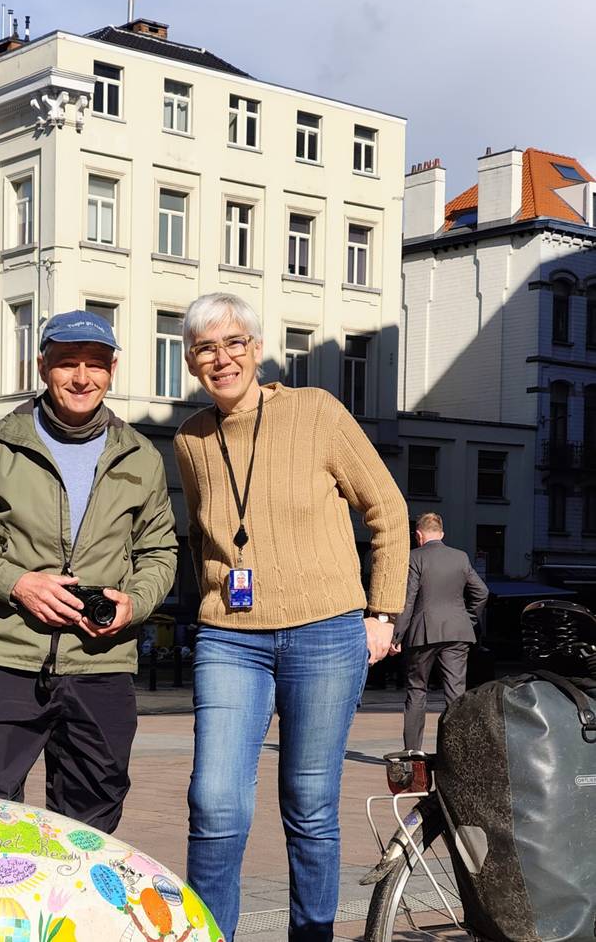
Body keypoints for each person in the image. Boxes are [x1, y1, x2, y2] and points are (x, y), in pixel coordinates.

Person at [173, 292, 410, 942]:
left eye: (233, 344)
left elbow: (387, 509)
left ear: (255, 349)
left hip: (326, 633)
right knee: (215, 801)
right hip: (229, 637)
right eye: (205, 348)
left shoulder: (316, 412)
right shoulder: (191, 441)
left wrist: (382, 612)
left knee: (309, 805)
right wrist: (217, 592)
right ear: (193, 362)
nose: (221, 358)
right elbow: (203, 535)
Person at [0, 310, 177, 833]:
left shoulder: (142, 456)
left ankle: (71, 918)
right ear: (43, 366)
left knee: (91, 826)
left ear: (112, 370)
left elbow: (159, 553)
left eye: (96, 364)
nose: (82, 377)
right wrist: (17, 583)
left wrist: (136, 603)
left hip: (102, 665)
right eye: (67, 363)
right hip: (6, 660)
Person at [390, 511, 489, 751]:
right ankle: (457, 751)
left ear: (418, 535)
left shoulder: (414, 557)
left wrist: (397, 635)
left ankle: (412, 753)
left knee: (416, 690)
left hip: (422, 633)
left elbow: (409, 598)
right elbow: (482, 592)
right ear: (442, 534)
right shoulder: (460, 557)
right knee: (456, 693)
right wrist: (467, 620)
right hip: (457, 632)